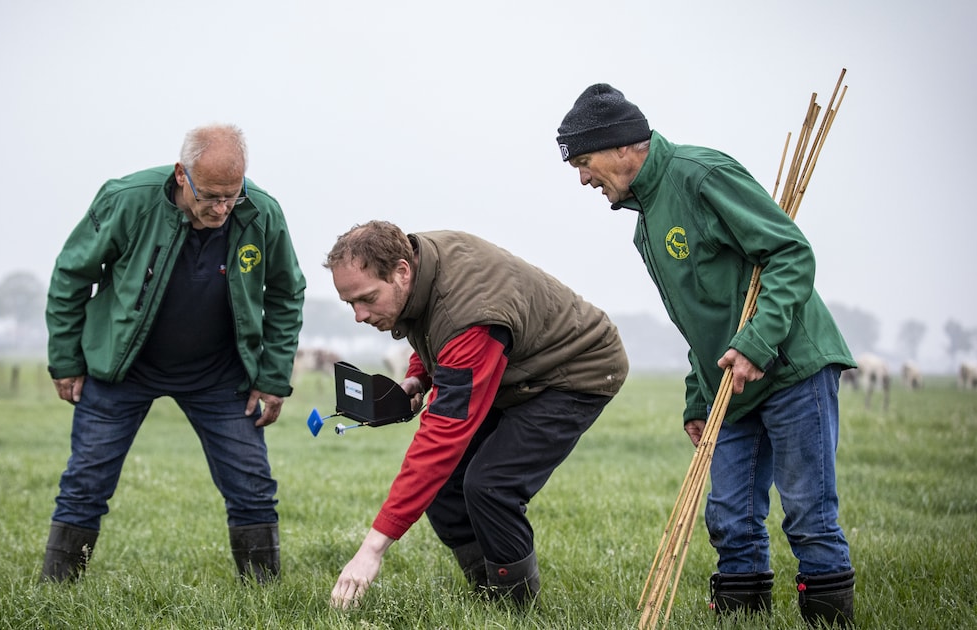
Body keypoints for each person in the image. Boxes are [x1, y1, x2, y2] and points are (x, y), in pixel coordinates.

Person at [556, 84, 857, 627]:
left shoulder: (701, 175)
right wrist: (698, 397)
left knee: (809, 514)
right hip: (730, 384)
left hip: (791, 367)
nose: (582, 178)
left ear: (623, 146)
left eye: (584, 161)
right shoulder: (645, 222)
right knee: (729, 517)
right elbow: (700, 319)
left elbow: (790, 251)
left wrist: (756, 341)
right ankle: (744, 617)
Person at [40, 123, 306, 585]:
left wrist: (272, 375)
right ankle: (56, 589)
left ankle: (265, 594)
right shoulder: (126, 200)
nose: (222, 209)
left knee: (252, 487)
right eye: (211, 196)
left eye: (232, 196)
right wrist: (66, 360)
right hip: (122, 368)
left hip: (219, 374)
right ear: (182, 174)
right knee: (86, 482)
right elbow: (71, 275)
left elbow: (286, 291)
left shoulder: (261, 213)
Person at [323, 220, 629, 608]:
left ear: (401, 270)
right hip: (516, 369)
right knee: (448, 486)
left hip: (576, 369)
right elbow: (435, 330)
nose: (359, 315)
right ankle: (487, 590)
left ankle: (515, 608)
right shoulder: (421, 266)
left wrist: (372, 548)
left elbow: (443, 435)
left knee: (490, 485)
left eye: (366, 299)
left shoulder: (468, 312)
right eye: (350, 303)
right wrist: (418, 376)